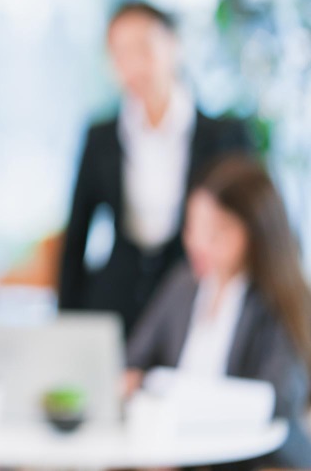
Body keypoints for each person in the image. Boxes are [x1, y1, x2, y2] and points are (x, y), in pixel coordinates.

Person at [58, 1, 252, 336]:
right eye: (120, 54)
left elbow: (253, 224)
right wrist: (65, 323)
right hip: (115, 302)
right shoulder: (100, 138)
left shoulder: (224, 136)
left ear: (173, 45)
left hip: (194, 297)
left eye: (143, 48)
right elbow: (76, 237)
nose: (133, 65)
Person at [126, 156, 311, 469]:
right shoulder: (183, 284)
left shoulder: (280, 297)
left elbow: (277, 400)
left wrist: (184, 399)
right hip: (177, 453)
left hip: (249, 459)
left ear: (254, 233)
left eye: (216, 232)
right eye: (191, 227)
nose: (198, 244)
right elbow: (135, 361)